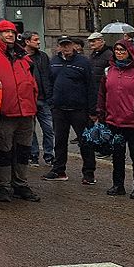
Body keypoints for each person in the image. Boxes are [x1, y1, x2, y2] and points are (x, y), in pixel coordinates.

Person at [0, 20, 40, 203]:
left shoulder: (24, 57)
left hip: (26, 112)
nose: (10, 35)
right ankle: (3, 185)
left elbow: (33, 79)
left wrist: (34, 98)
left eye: (12, 32)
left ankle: (20, 183)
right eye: (6, 32)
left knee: (23, 151)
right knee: (4, 151)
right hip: (5, 112)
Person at [95, 39, 134, 199]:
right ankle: (118, 185)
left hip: (133, 122)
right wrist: (101, 113)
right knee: (117, 155)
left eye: (122, 50)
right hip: (114, 121)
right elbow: (102, 94)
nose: (119, 53)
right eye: (117, 50)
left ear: (130, 52)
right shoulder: (108, 72)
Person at [42, 37, 97, 184]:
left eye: (68, 45)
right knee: (60, 141)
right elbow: (48, 82)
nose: (65, 48)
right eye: (62, 45)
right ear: (58, 47)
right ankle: (59, 170)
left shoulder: (83, 62)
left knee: (85, 141)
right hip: (59, 109)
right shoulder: (54, 61)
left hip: (79, 109)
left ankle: (89, 173)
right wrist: (51, 100)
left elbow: (91, 86)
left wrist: (92, 110)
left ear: (73, 46)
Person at [23, 33, 54, 166]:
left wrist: (50, 95)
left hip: (44, 98)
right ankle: (33, 154)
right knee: (31, 129)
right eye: (35, 40)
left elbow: (48, 76)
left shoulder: (42, 56)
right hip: (29, 99)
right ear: (27, 41)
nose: (38, 42)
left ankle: (49, 155)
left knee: (48, 128)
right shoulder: (20, 57)